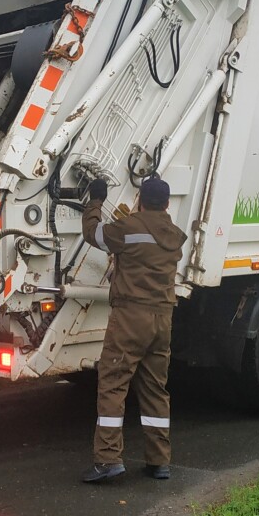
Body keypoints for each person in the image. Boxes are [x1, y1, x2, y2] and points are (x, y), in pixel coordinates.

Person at [79, 175, 187, 483]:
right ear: (167, 203)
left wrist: (96, 201)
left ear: (139, 198)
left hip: (130, 318)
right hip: (162, 320)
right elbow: (145, 239)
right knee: (155, 389)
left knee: (113, 384)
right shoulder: (174, 235)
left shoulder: (128, 229)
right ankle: (159, 461)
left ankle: (108, 459)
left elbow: (94, 234)